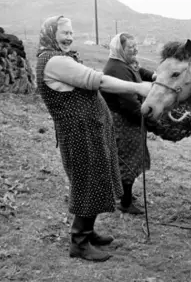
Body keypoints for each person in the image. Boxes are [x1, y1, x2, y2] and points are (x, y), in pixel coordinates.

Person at [35, 16, 151, 262]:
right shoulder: (53, 61)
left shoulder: (60, 57)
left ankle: (88, 231)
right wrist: (138, 88)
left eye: (71, 32)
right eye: (63, 32)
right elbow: (96, 80)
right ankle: (79, 242)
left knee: (97, 180)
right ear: (50, 34)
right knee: (87, 184)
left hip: (90, 131)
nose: (69, 37)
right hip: (79, 135)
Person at [101, 32, 156, 215]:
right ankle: (125, 202)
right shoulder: (117, 69)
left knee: (128, 158)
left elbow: (138, 72)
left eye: (135, 45)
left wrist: (153, 75)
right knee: (128, 160)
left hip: (128, 118)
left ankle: (124, 195)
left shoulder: (124, 64)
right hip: (122, 120)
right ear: (120, 48)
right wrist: (146, 118)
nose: (135, 49)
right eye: (130, 47)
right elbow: (128, 102)